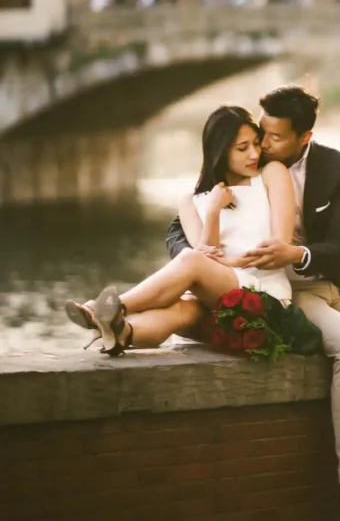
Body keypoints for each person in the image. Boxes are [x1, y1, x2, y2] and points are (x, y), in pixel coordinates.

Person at [166, 85, 340, 521]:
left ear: (303, 138)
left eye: (274, 138)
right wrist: (201, 259)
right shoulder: (245, 166)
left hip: (330, 281)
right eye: (258, 135)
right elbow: (178, 229)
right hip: (289, 292)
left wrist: (297, 251)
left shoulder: (336, 167)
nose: (262, 146)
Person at [64, 106, 301, 355]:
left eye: (255, 144)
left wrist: (230, 261)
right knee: (181, 310)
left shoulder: (271, 174)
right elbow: (206, 256)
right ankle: (119, 333)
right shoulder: (192, 201)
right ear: (219, 151)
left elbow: (279, 249)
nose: (254, 153)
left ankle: (111, 307)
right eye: (242, 148)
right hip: (218, 299)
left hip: (265, 297)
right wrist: (212, 212)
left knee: (189, 259)